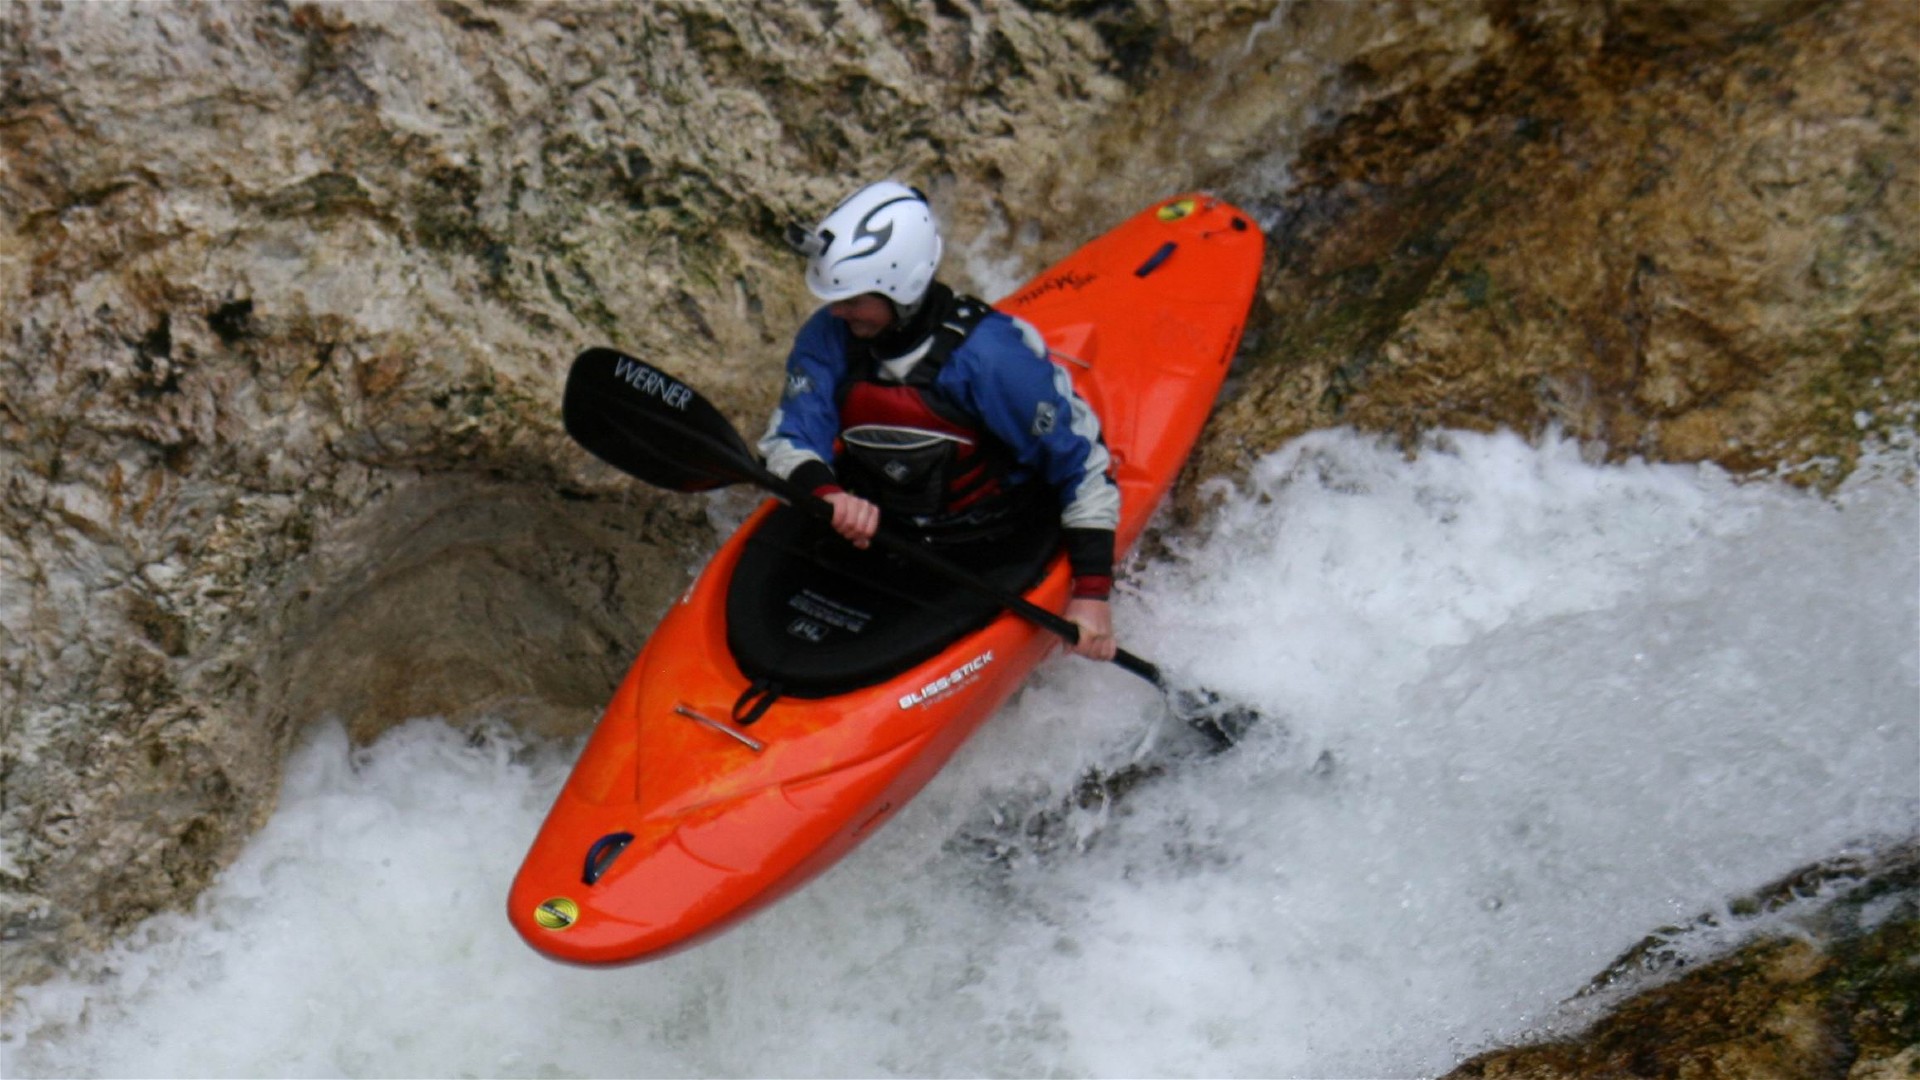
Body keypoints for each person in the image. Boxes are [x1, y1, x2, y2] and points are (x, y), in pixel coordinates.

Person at [760, 179, 1120, 661]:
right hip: (876, 531)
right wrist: (827, 494)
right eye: (836, 298)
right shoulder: (829, 336)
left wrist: (1092, 594)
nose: (839, 312)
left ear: (901, 288)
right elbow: (790, 436)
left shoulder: (990, 359)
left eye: (853, 300)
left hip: (984, 545)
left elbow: (1082, 464)